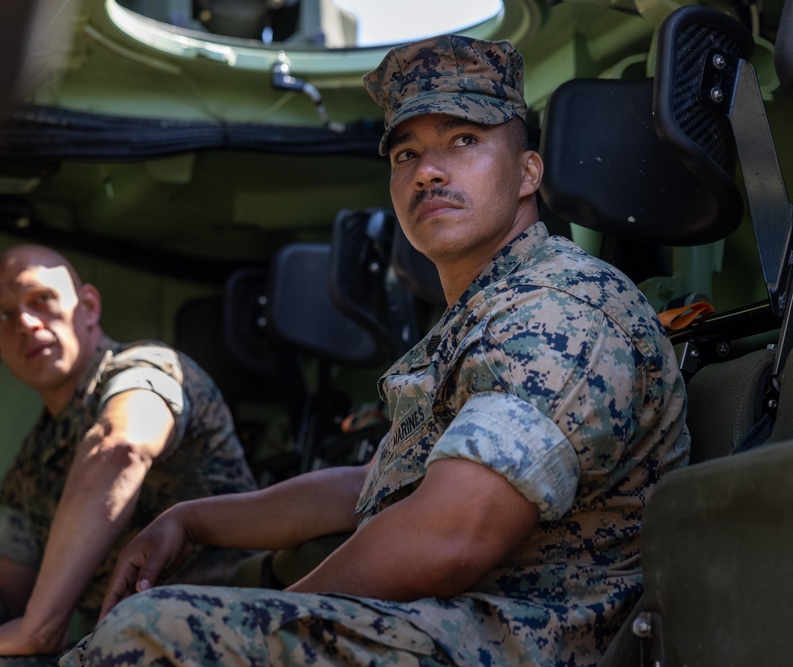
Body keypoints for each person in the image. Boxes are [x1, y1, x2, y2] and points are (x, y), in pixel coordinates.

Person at [58, 34, 690, 667]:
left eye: (463, 140)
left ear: (528, 171)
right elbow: (376, 485)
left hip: (521, 642)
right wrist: (192, 520)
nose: (428, 170)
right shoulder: (487, 309)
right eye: (406, 154)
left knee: (152, 631)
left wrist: (269, 624)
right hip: (451, 626)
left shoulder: (557, 308)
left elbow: (450, 535)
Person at [0, 244, 258, 667]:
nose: (25, 322)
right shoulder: (33, 459)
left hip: (217, 633)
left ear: (88, 306)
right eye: (4, 316)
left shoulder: (146, 368)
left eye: (41, 300)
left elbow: (121, 446)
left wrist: (38, 626)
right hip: (122, 646)